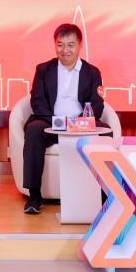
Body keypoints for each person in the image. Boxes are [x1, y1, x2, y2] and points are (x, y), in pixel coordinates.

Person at [22, 24, 107, 215]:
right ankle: (34, 196)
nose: (65, 50)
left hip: (80, 124)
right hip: (50, 122)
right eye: (60, 45)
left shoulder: (92, 72)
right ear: (55, 45)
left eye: (70, 45)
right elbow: (37, 101)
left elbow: (97, 105)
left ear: (80, 45)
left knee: (105, 134)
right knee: (34, 130)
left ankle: (104, 194)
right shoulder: (44, 69)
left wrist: (78, 123)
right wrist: (58, 122)